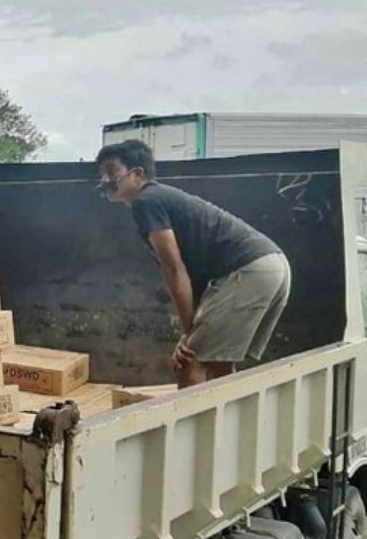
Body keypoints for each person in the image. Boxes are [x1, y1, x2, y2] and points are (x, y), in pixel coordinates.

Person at [95, 139, 292, 387]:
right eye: (101, 173)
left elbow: (174, 269)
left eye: (111, 171)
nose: (104, 179)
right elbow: (191, 274)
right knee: (219, 363)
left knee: (188, 363)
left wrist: (188, 334)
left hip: (248, 269)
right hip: (271, 266)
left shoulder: (147, 201)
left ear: (137, 174)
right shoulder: (161, 198)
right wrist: (192, 330)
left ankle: (195, 427)